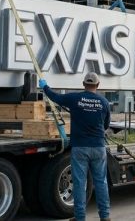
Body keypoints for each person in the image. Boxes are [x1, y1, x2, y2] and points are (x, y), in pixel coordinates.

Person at [39, 72, 111, 221]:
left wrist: (44, 87)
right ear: (97, 85)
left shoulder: (75, 98)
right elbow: (106, 125)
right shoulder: (104, 102)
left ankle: (80, 217)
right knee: (101, 182)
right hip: (98, 147)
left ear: (84, 84)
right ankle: (105, 217)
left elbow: (55, 97)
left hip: (80, 148)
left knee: (79, 183)